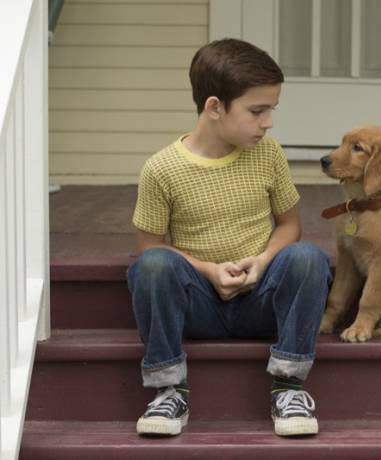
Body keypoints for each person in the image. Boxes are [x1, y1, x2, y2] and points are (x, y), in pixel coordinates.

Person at [126, 38, 331, 438]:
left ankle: (289, 387)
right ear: (215, 107)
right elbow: (147, 247)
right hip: (198, 303)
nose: (268, 121)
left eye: (271, 109)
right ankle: (169, 389)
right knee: (151, 266)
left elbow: (290, 225)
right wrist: (208, 270)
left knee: (309, 257)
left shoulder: (268, 155)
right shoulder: (161, 169)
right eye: (257, 111)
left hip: (261, 297)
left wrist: (264, 261)